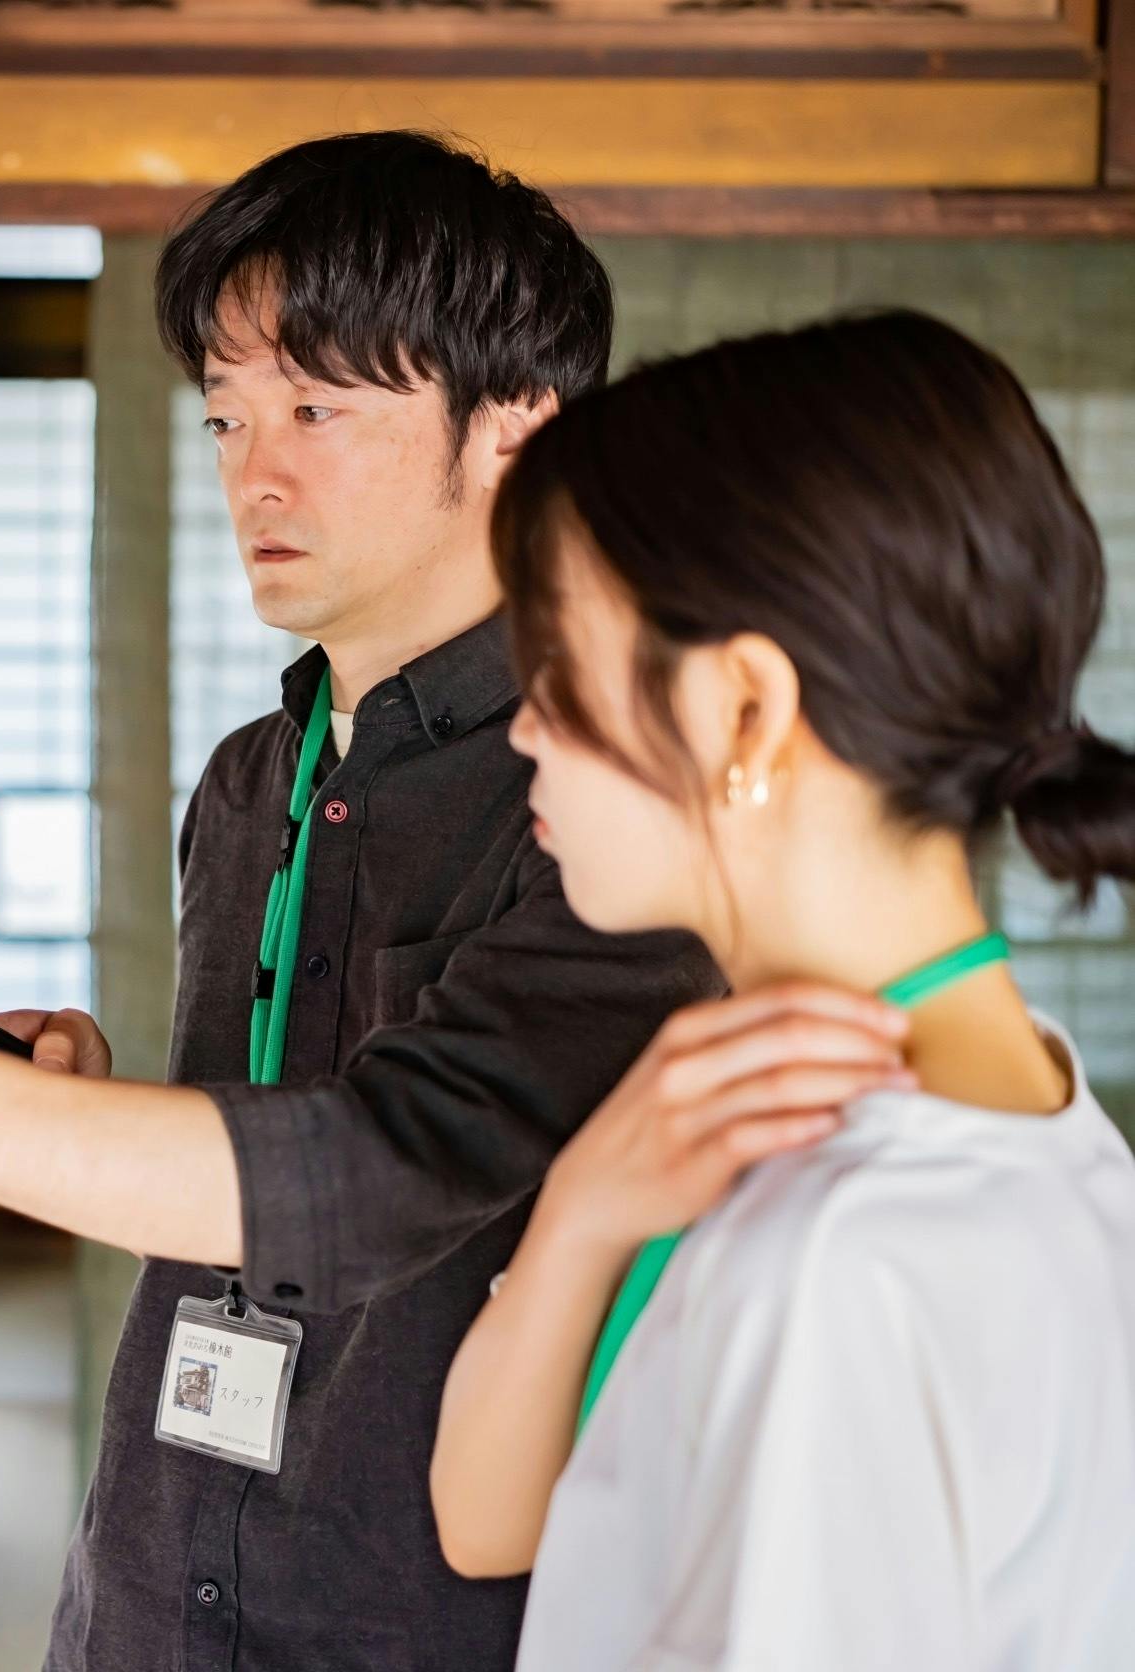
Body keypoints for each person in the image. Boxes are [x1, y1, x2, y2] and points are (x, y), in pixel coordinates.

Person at [0, 132, 845, 1671]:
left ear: (516, 429)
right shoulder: (248, 779)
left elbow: (381, 1169)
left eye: (316, 409)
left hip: (421, 1623)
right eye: (228, 414)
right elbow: (264, 1140)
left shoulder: (618, 801)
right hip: (146, 1591)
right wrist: (67, 1107)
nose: (253, 470)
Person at [425, 310, 1135, 1668]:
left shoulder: (842, 1256)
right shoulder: (1010, 1107)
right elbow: (492, 1524)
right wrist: (582, 1214)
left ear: (743, 711)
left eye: (556, 668)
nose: (524, 727)